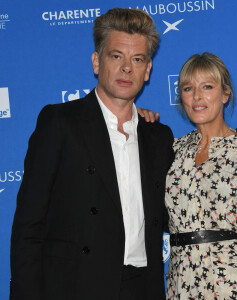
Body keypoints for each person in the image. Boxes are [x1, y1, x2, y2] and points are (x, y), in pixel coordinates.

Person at [10, 8, 174, 300]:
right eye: (116, 56)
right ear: (97, 62)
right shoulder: (60, 123)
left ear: (148, 70)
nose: (127, 68)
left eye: (137, 59)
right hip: (75, 287)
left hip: (143, 289)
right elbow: (28, 225)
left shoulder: (158, 137)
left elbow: (168, 216)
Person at [139, 52, 237, 299]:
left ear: (225, 94)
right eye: (188, 88)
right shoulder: (172, 152)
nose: (197, 96)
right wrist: (136, 122)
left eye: (207, 87)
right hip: (183, 286)